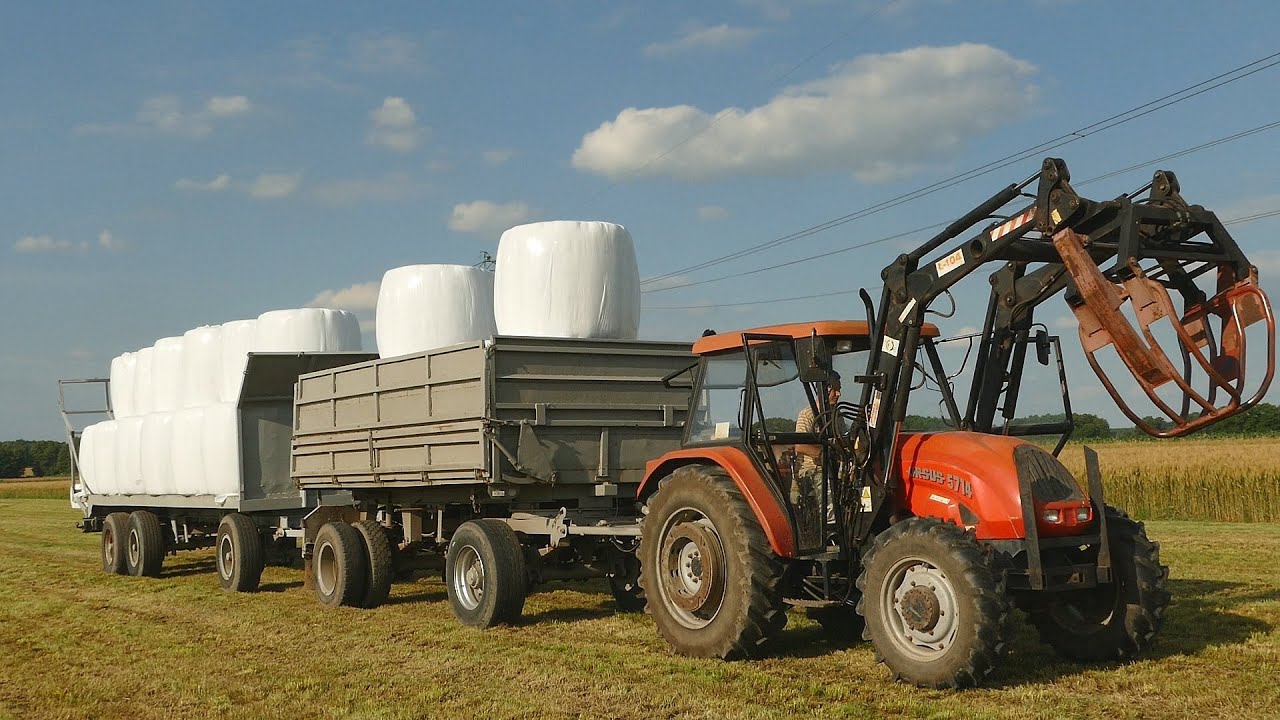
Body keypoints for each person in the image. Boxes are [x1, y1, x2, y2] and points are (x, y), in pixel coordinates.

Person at [791, 372, 841, 512]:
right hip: (813, 469)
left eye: (839, 389)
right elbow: (800, 446)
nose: (839, 394)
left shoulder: (837, 416)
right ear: (825, 390)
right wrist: (825, 454)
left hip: (833, 467)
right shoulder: (807, 414)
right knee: (828, 489)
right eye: (835, 390)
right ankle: (831, 525)